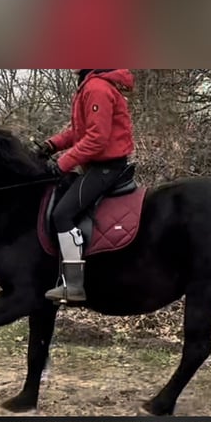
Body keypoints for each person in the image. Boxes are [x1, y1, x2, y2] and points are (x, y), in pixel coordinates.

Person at [36, 69, 136, 303]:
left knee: (62, 214)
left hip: (105, 168)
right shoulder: (92, 85)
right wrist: (52, 144)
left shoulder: (97, 88)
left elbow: (96, 139)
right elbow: (80, 131)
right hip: (98, 166)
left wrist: (62, 164)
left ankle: (73, 286)